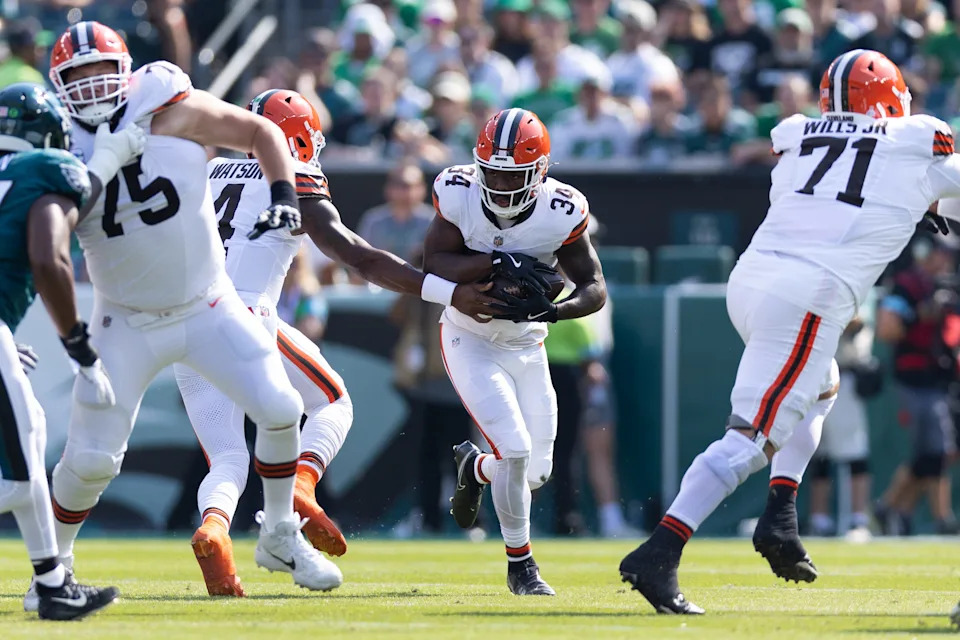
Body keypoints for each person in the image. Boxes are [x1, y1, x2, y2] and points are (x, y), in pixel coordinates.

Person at [619, 49, 960, 614]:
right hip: (808, 294)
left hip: (751, 281)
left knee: (823, 386)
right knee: (749, 437)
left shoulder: (799, 135)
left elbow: (846, 184)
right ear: (890, 102)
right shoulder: (915, 143)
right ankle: (660, 552)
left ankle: (780, 514)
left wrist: (913, 199)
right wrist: (924, 197)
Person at [27, 20, 345, 607]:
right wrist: (101, 163)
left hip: (209, 304)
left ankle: (279, 533)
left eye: (102, 71)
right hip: (125, 320)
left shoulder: (164, 100)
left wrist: (282, 197)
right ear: (59, 84)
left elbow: (259, 131)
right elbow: (54, 234)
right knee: (91, 462)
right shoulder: (58, 145)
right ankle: (52, 571)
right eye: (79, 75)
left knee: (280, 408)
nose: (93, 85)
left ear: (127, 72)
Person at [178, 89, 509, 596]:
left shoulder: (209, 171)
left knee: (227, 457)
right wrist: (444, 291)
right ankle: (300, 488)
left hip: (188, 322)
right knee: (332, 401)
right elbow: (360, 257)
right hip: (243, 316)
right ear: (296, 138)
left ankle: (216, 529)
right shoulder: (292, 174)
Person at [424, 107, 607, 595]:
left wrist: (553, 311)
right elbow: (434, 261)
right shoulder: (458, 192)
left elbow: (594, 287)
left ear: (540, 171)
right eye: (494, 173)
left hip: (527, 344)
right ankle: (521, 566)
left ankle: (475, 467)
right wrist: (496, 263)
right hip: (470, 338)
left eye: (514, 175)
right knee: (516, 450)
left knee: (536, 471)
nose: (502, 186)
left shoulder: (561, 210)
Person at [0, 82, 143, 620]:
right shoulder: (46, 168)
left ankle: (53, 582)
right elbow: (49, 257)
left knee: (31, 435)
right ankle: (53, 584)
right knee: (18, 477)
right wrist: (79, 348)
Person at [873, 234, 960, 535]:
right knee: (935, 451)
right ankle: (941, 518)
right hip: (914, 380)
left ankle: (893, 508)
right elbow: (886, 330)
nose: (947, 260)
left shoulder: (949, 287)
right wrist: (918, 315)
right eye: (942, 253)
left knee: (934, 452)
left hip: (944, 379)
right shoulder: (906, 285)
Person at [0, 19, 47, 88]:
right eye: (37, 47)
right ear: (25, 49)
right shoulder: (31, 77)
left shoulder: (1, 72)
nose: (43, 52)